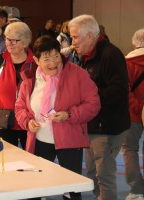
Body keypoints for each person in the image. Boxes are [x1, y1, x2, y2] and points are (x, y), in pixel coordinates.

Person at [15, 36, 100, 200]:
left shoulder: (77, 74)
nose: (53, 63)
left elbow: (93, 103)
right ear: (36, 60)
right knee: (35, 187)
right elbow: (20, 107)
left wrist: (69, 114)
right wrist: (27, 121)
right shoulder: (29, 80)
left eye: (56, 56)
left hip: (69, 140)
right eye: (46, 59)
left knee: (72, 189)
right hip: (39, 140)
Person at [69, 15, 130, 200]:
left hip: (108, 127)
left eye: (75, 37)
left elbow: (119, 90)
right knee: (94, 174)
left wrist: (88, 99)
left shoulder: (110, 54)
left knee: (104, 177)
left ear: (89, 36)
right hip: (93, 124)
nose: (72, 42)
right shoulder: (86, 55)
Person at [0, 22, 37, 149]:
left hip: (30, 122)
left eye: (14, 41)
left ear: (25, 42)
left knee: (31, 162)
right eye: (7, 39)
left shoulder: (36, 63)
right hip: (4, 122)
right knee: (6, 161)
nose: (8, 43)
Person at [122, 28, 144, 200]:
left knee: (130, 149)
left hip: (132, 114)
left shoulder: (126, 62)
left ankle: (136, 191)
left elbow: (124, 90)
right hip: (136, 112)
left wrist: (135, 107)